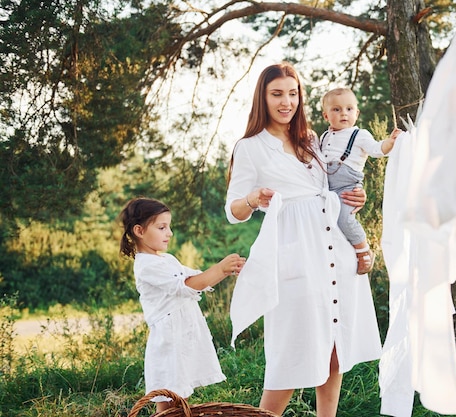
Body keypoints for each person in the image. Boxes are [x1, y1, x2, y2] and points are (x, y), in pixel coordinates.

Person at [225, 62, 382, 417]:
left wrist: (358, 196)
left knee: (335, 349)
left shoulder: (312, 139)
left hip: (336, 252)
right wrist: (252, 200)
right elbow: (233, 209)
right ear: (262, 98)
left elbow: (335, 185)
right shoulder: (249, 147)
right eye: (277, 94)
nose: (286, 102)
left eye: (292, 94)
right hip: (295, 255)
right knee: (290, 354)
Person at [119, 197, 246, 414]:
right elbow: (186, 285)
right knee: (168, 400)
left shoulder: (167, 259)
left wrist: (227, 270)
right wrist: (220, 268)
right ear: (139, 231)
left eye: (169, 226)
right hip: (169, 343)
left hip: (183, 337)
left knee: (180, 399)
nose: (169, 233)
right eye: (162, 227)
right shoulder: (146, 266)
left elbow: (198, 279)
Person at [320, 87, 403, 274]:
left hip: (348, 187)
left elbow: (376, 149)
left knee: (344, 218)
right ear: (326, 116)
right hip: (328, 188)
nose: (344, 113)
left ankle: (363, 250)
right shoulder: (324, 137)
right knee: (328, 221)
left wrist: (390, 142)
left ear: (356, 113)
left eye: (349, 109)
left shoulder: (360, 135)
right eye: (336, 109)